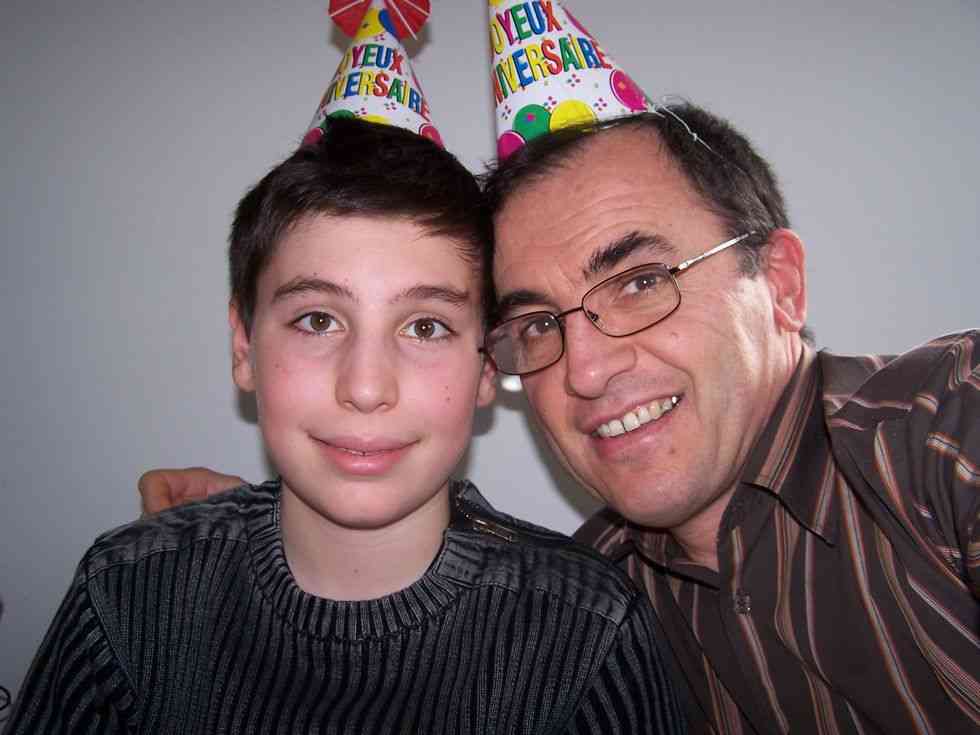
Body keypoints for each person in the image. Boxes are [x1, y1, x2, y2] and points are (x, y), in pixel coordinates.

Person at [141, 102, 980, 733]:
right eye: (540, 323)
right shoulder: (598, 596)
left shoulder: (948, 432)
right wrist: (253, 532)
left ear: (782, 285)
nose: (586, 368)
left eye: (641, 281)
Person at [6, 118, 685, 734]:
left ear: (486, 365)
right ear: (244, 346)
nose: (364, 387)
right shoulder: (127, 593)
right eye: (318, 320)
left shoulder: (588, 635)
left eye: (426, 327)